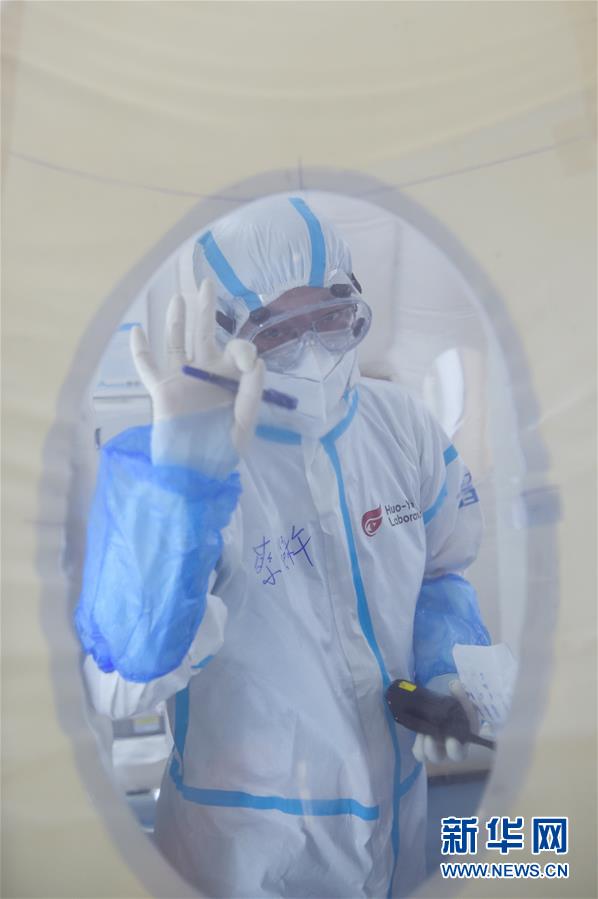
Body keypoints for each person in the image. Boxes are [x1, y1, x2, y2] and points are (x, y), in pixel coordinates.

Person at [76, 195, 490, 898]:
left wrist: (447, 669)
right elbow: (124, 682)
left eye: (332, 317)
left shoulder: (404, 426)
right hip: (245, 849)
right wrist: (184, 484)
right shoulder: (176, 466)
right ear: (227, 330)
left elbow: (440, 571)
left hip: (398, 824)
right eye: (280, 331)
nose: (316, 352)